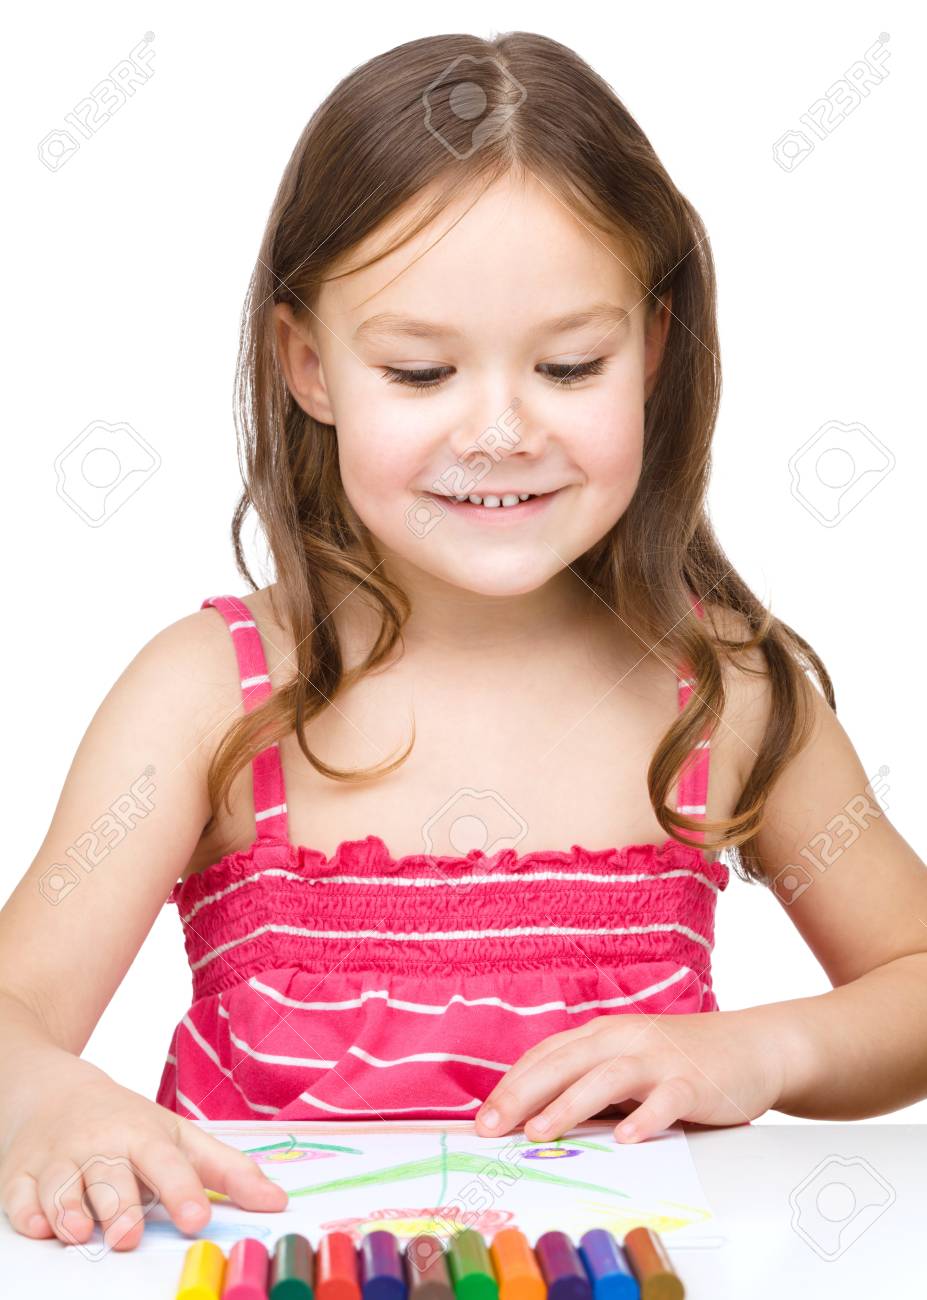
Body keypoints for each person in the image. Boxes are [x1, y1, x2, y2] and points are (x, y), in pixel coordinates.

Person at [2, 30, 925, 1256]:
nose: (499, 427)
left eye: (568, 363)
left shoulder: (722, 691)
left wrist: (761, 1048)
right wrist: (50, 1098)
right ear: (307, 366)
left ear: (651, 349)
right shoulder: (211, 694)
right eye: (422, 370)